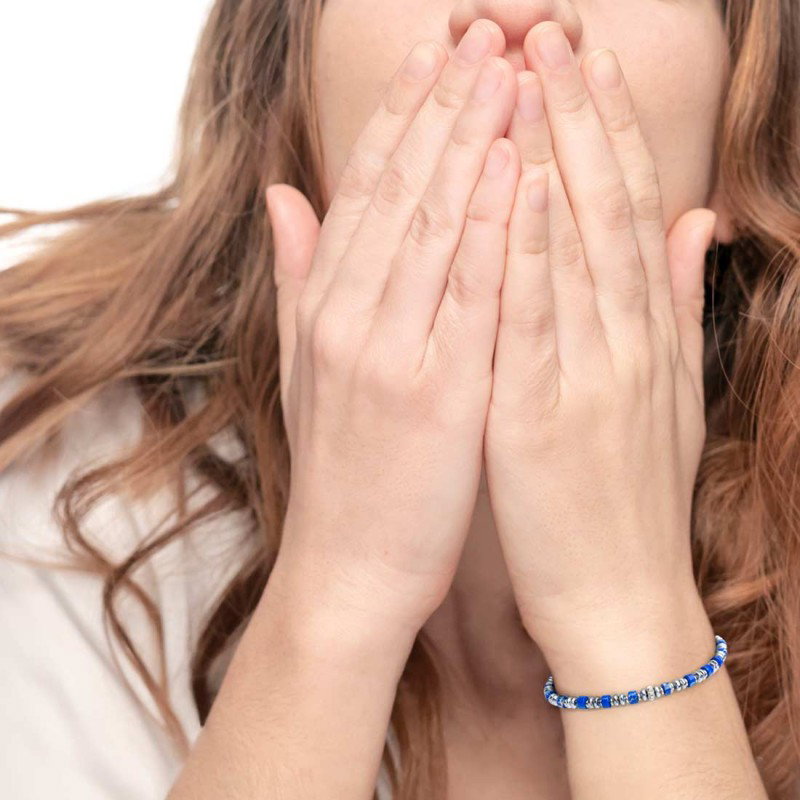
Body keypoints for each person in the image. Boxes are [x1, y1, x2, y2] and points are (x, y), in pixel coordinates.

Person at [0, 0, 797, 797]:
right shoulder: (48, 475)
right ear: (294, 97)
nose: (519, 14)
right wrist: (339, 594)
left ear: (743, 119)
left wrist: (631, 616)